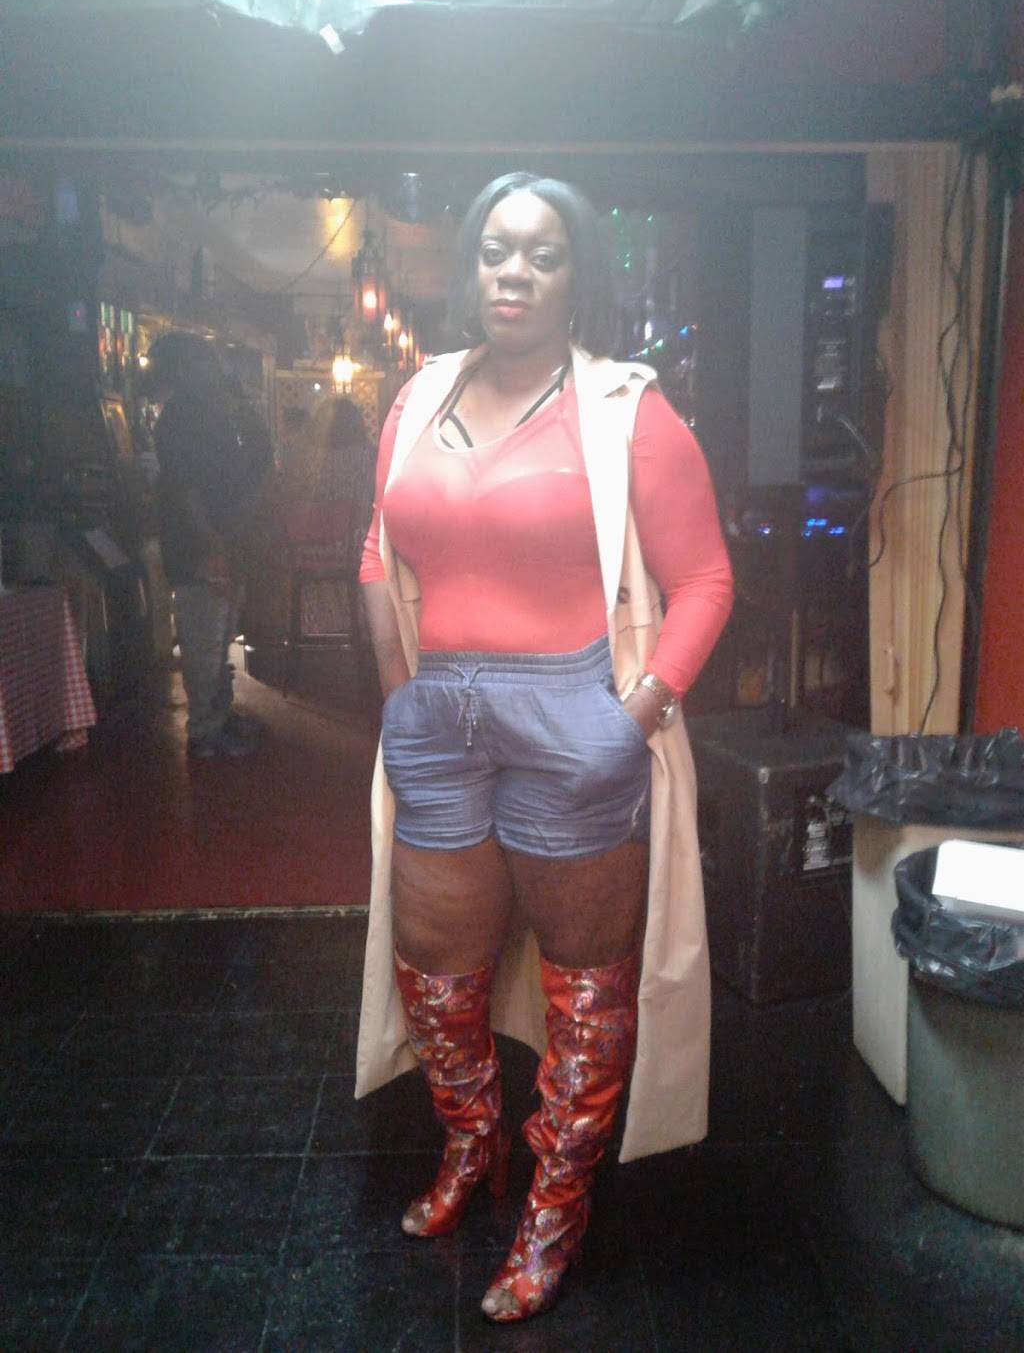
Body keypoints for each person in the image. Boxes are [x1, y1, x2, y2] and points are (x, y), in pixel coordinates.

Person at [356, 173, 734, 1323]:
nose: (513, 271)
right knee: (435, 975)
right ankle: (472, 1146)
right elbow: (379, 551)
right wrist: (401, 696)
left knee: (584, 993)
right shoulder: (418, 395)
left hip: (574, 716)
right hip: (437, 717)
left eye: (543, 252)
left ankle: (553, 1207)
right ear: (468, 265)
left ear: (577, 276)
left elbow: (705, 580)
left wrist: (631, 719)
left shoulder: (628, 412)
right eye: (495, 249)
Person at [149, 332, 270, 758]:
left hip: (219, 539)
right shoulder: (181, 417)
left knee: (218, 636)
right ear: (185, 369)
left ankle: (219, 714)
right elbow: (187, 488)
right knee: (204, 637)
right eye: (206, 360)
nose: (216, 368)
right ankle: (205, 730)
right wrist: (214, 542)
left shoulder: (207, 411)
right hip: (199, 545)